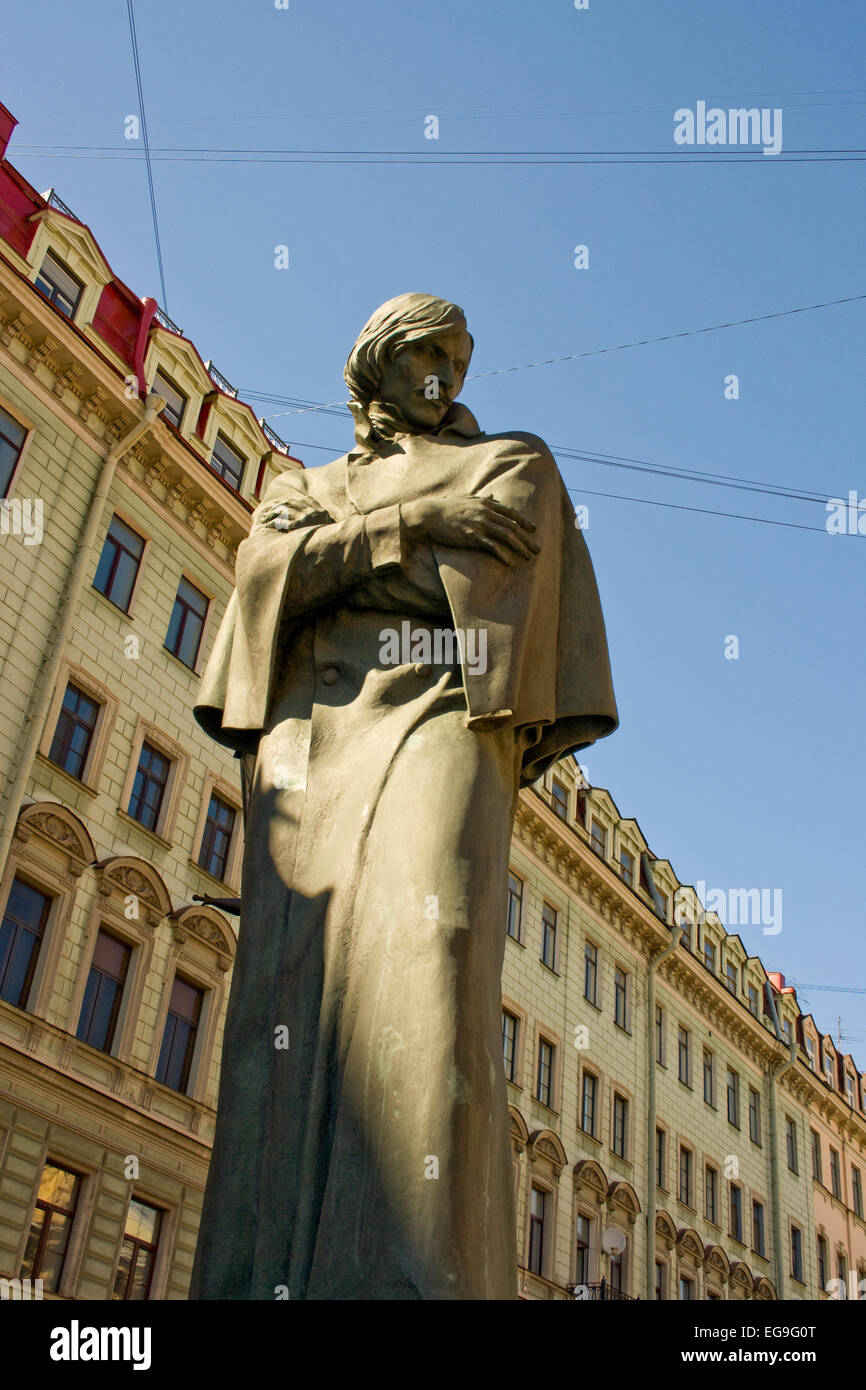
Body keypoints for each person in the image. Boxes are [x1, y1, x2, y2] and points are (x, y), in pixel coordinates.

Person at [189, 293, 618, 1300]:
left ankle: (416, 1278)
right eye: (429, 350)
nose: (448, 373)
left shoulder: (512, 463)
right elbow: (261, 585)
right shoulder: (300, 482)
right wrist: (412, 527)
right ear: (375, 359)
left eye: (460, 358)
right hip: (309, 744)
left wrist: (330, 570)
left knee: (436, 951)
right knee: (286, 1000)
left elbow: (474, 603)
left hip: (443, 719)